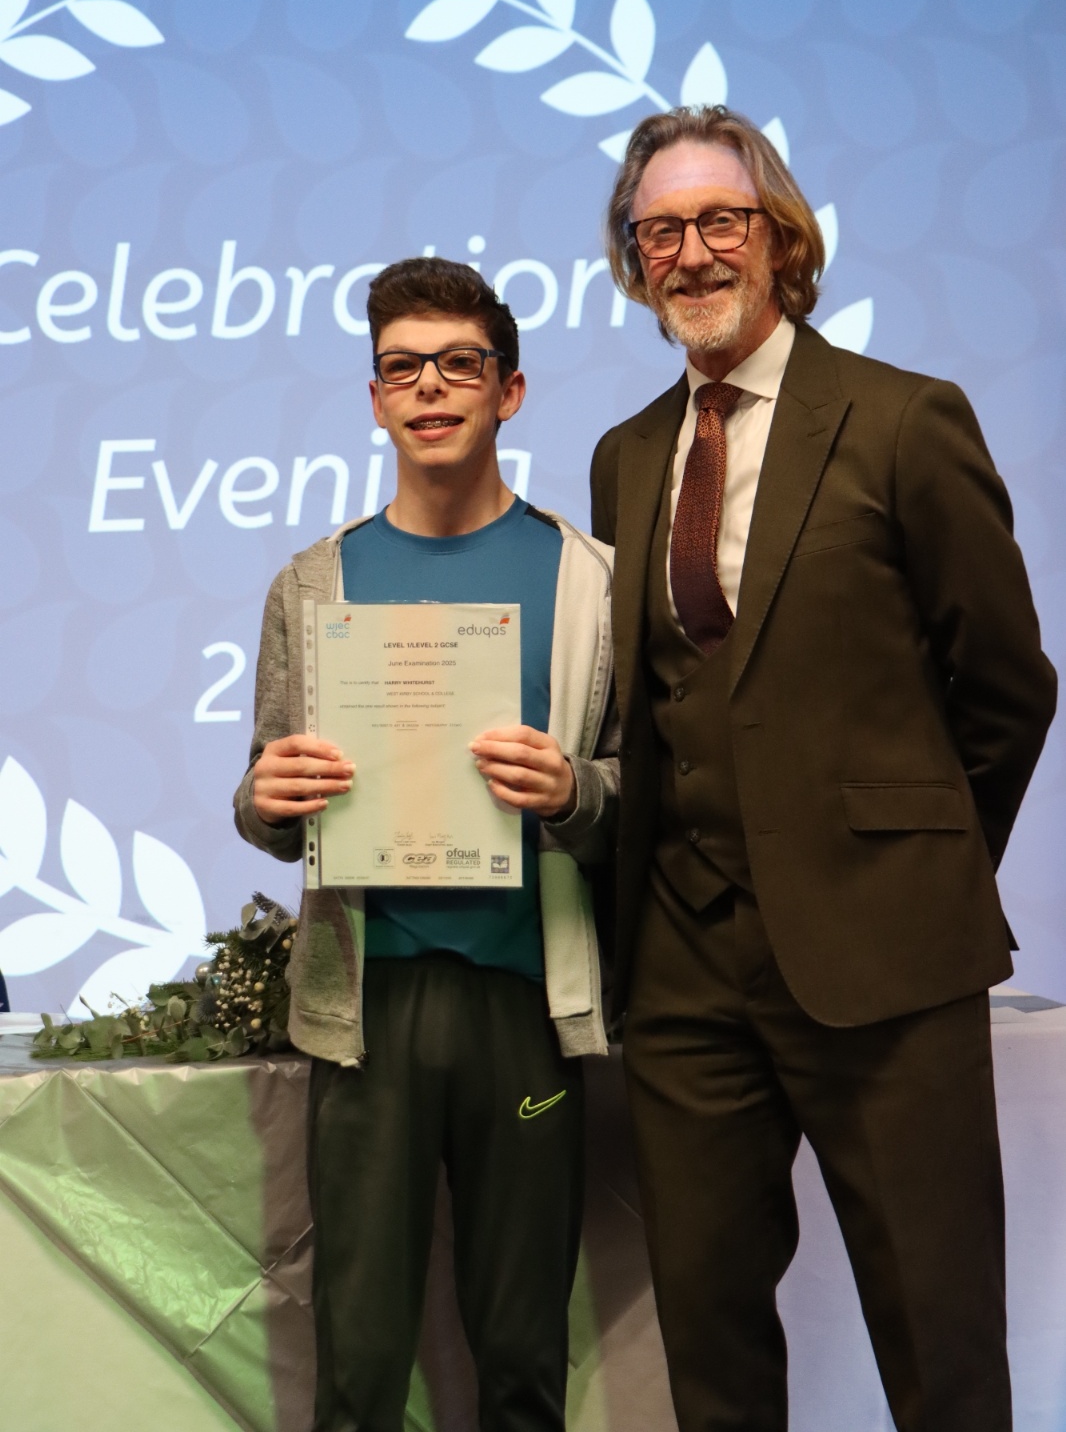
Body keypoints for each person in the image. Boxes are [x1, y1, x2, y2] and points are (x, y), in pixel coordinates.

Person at [589, 104, 1056, 1432]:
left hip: (883, 958)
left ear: (780, 238)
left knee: (939, 1345)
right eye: (659, 231)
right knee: (710, 1349)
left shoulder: (904, 419)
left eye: (718, 221)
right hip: (681, 972)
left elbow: (1006, 686)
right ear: (633, 259)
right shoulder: (626, 456)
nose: (690, 253)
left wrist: (910, 865)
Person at [234, 257, 616, 1432]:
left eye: (460, 363)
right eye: (402, 368)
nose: (430, 387)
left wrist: (576, 790)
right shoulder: (314, 580)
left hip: (526, 1002)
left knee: (523, 1361)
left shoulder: (589, 578)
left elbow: (640, 789)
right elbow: (263, 799)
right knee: (357, 1367)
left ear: (509, 390)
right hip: (369, 1007)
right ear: (375, 399)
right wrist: (267, 798)